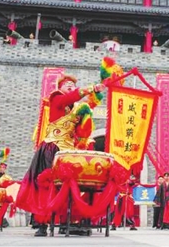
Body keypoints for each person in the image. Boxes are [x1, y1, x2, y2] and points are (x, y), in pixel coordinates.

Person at [16, 74, 105, 237]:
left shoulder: (77, 106)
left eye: (72, 84)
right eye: (67, 84)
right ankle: (42, 223)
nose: (70, 85)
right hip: (52, 147)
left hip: (67, 151)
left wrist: (98, 92)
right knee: (47, 184)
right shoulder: (56, 98)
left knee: (68, 186)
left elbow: (89, 105)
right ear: (60, 88)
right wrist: (90, 88)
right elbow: (70, 97)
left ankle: (67, 222)